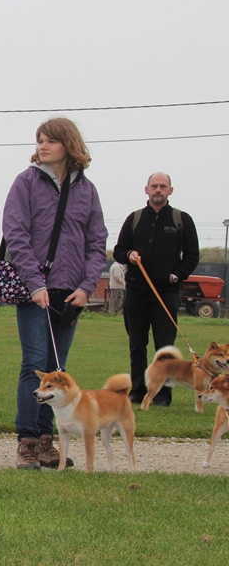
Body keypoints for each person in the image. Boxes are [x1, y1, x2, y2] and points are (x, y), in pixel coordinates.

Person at [2, 117, 107, 470]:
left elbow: (97, 241)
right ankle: (27, 442)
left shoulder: (87, 190)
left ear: (68, 144)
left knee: (56, 371)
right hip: (36, 289)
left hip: (70, 293)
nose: (42, 146)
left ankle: (48, 441)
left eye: (50, 141)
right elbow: (15, 234)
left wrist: (86, 287)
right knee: (34, 364)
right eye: (39, 140)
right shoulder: (26, 182)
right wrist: (35, 283)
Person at [113, 173, 199, 406]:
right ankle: (137, 391)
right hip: (136, 293)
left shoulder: (181, 220)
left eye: (163, 186)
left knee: (165, 348)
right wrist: (129, 255)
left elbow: (192, 257)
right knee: (137, 345)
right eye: (154, 186)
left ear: (170, 190)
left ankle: (162, 395)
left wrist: (176, 275)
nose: (158, 190)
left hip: (166, 294)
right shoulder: (135, 218)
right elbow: (119, 250)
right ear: (146, 190)